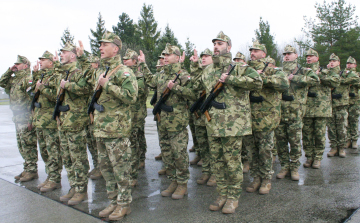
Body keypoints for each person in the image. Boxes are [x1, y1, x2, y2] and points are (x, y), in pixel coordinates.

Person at [192, 31, 262, 214]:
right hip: (212, 124)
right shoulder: (208, 71)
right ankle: (222, 193)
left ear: (228, 47)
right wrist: (194, 66)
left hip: (232, 126)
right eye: (214, 43)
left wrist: (231, 80)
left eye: (220, 44)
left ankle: (233, 196)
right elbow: (195, 87)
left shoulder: (238, 68)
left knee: (232, 162)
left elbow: (258, 82)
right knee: (217, 162)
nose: (216, 46)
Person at [78, 31, 138, 220]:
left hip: (117, 131)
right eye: (100, 45)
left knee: (121, 169)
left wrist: (107, 85)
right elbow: (86, 77)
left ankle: (124, 204)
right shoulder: (101, 71)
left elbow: (131, 97)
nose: (100, 48)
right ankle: (113, 201)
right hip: (101, 130)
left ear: (116, 48)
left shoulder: (124, 71)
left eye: (105, 45)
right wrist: (81, 58)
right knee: (106, 169)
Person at [140, 43, 195, 200]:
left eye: (168, 55)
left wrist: (176, 88)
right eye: (163, 55)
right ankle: (173, 180)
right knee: (168, 154)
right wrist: (143, 63)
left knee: (179, 154)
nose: (164, 57)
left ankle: (182, 183)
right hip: (163, 121)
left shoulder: (183, 75)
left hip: (177, 122)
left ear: (177, 58)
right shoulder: (162, 74)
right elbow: (151, 80)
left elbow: (193, 94)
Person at [246, 41, 289, 194]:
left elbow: (284, 84)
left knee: (265, 151)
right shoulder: (246, 69)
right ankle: (256, 178)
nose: (252, 53)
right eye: (251, 50)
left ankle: (266, 179)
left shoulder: (272, 70)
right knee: (251, 152)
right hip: (248, 118)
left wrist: (263, 78)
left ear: (263, 54)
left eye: (256, 50)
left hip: (266, 119)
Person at [275, 45, 319, 181]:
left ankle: (294, 168)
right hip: (280, 112)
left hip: (295, 113)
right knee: (281, 142)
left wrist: (295, 78)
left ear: (296, 55)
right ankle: (284, 166)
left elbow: (315, 80)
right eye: (285, 54)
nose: (286, 56)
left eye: (289, 53)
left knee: (294, 143)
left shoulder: (304, 71)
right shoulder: (279, 71)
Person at [55, 42, 91, 205]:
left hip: (75, 121)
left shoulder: (78, 72)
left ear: (73, 55)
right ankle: (73, 186)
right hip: (64, 121)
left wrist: (67, 85)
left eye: (64, 52)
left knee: (78, 157)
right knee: (67, 157)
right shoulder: (65, 72)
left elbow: (86, 88)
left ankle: (81, 190)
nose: (61, 54)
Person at [0, 55, 38, 182]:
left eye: (18, 64)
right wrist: (9, 71)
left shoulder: (28, 79)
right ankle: (27, 168)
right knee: (22, 145)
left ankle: (32, 170)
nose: (16, 66)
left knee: (28, 145)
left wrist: (31, 119)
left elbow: (33, 99)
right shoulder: (15, 80)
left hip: (25, 117)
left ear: (25, 66)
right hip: (17, 117)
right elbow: (2, 82)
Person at [302, 49, 339, 168]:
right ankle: (309, 157)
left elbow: (335, 82)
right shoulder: (302, 71)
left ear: (317, 58)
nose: (308, 58)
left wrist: (320, 76)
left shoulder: (326, 71)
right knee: (307, 135)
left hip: (321, 109)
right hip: (306, 108)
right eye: (307, 56)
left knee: (319, 135)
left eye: (311, 56)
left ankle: (317, 158)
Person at [32, 51, 63, 191]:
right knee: (44, 151)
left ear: (51, 62)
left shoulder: (56, 77)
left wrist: (42, 88)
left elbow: (56, 97)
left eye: (43, 60)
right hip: (40, 120)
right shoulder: (41, 76)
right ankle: (50, 176)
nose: (40, 62)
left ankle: (55, 179)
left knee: (53, 151)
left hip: (49, 121)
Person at [189, 48, 216, 186]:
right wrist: (194, 66)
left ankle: (215, 174)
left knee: (214, 147)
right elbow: (194, 86)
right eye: (202, 56)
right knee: (203, 145)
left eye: (207, 56)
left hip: (211, 115)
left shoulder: (215, 72)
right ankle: (206, 171)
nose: (204, 58)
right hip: (200, 115)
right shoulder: (200, 72)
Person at [122, 49, 148, 186]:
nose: (124, 61)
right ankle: (136, 162)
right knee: (131, 141)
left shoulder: (139, 76)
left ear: (135, 61)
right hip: (126, 115)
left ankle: (138, 162)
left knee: (136, 139)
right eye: (124, 59)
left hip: (137, 114)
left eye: (127, 59)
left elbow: (139, 92)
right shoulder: (123, 74)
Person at [327, 53, 360, 158]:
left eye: (334, 61)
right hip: (330, 105)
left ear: (338, 63)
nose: (332, 63)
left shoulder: (344, 74)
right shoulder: (328, 73)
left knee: (342, 127)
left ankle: (342, 147)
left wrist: (340, 81)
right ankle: (333, 147)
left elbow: (355, 79)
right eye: (330, 61)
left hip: (342, 104)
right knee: (331, 128)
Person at [86, 54, 102, 180]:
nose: (88, 65)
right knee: (90, 143)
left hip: (95, 113)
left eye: (90, 63)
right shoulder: (89, 76)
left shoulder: (97, 75)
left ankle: (100, 167)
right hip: (87, 113)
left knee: (96, 143)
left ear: (96, 64)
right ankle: (96, 166)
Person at [346, 56, 360, 150]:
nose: (349, 65)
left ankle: (354, 140)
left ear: (355, 65)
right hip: (345, 100)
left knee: (354, 121)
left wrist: (352, 80)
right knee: (346, 121)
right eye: (348, 63)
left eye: (351, 63)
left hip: (354, 101)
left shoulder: (357, 75)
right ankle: (347, 140)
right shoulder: (343, 74)